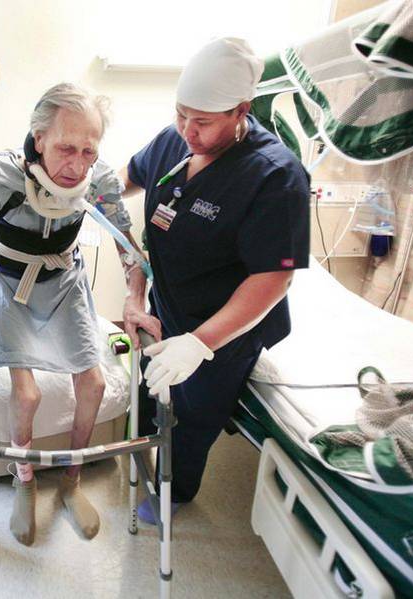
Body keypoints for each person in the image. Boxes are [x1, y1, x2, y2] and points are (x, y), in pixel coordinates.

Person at [118, 37, 310, 522]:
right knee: (149, 389)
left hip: (224, 327)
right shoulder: (174, 141)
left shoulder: (275, 176)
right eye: (181, 114)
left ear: (241, 110)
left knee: (193, 414)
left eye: (202, 122)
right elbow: (127, 176)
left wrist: (199, 344)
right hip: (169, 303)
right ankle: (138, 452)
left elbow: (273, 280)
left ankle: (175, 492)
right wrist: (79, 187)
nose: (188, 130)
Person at [0, 83, 131, 545]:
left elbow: (126, 240)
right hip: (7, 283)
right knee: (28, 395)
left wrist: (135, 293)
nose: (77, 165)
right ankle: (25, 480)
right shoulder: (0, 175)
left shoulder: (98, 180)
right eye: (65, 148)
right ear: (39, 139)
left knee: (94, 383)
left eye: (88, 151)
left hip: (63, 279)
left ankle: (72, 480)